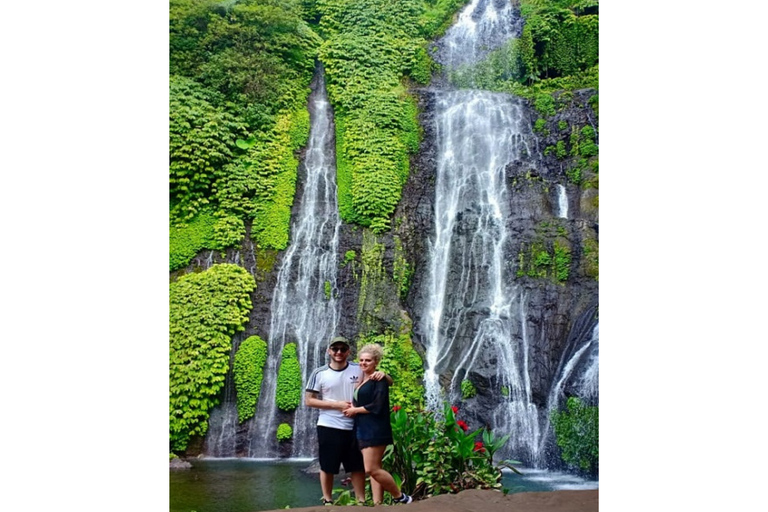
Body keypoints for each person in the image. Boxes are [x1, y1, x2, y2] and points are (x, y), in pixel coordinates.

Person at [305, 336, 392, 505]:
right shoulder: (319, 373)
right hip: (328, 424)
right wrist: (336, 405)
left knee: (357, 466)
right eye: (335, 349)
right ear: (329, 351)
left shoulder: (357, 367)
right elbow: (309, 400)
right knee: (327, 465)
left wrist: (385, 375)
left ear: (348, 352)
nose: (339, 352)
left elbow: (384, 381)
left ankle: (361, 501)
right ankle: (328, 501)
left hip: (355, 425)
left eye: (343, 349)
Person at [343, 343, 413, 505]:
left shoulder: (378, 379)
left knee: (371, 469)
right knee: (375, 468)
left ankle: (401, 497)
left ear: (376, 362)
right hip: (362, 427)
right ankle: (378, 504)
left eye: (368, 360)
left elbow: (378, 405)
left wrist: (355, 410)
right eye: (361, 360)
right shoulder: (362, 379)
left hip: (375, 429)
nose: (363, 363)